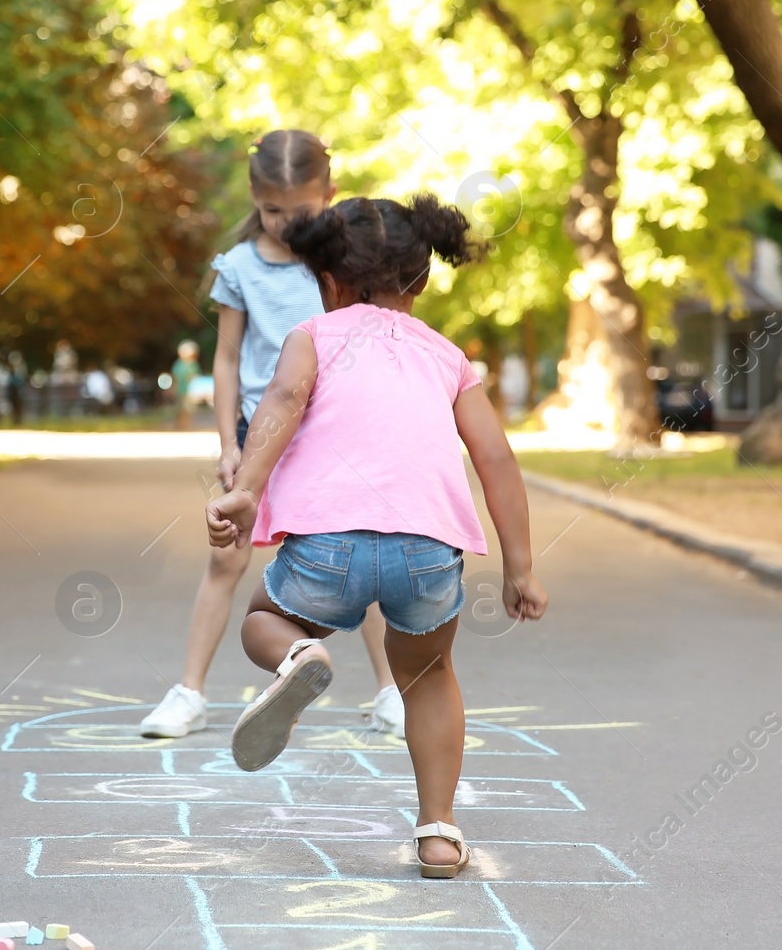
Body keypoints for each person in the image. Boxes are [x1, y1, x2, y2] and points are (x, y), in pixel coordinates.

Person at [205, 193, 549, 879]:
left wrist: (245, 486)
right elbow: (496, 458)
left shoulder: (313, 336)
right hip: (426, 550)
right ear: (421, 279)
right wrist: (520, 566)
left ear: (329, 281)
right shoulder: (448, 357)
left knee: (264, 621)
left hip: (329, 542)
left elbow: (281, 402)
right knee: (427, 675)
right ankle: (440, 834)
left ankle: (300, 653)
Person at [140, 129, 408, 740]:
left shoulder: (345, 263)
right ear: (255, 200)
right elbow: (228, 360)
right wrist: (229, 442)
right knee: (225, 562)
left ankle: (391, 691)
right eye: (272, 211)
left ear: (330, 196)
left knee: (357, 565)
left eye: (302, 211)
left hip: (331, 432)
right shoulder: (238, 267)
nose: (286, 224)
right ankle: (189, 693)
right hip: (258, 433)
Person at [171, 340, 201, 430]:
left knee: (188, 409)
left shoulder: (194, 365)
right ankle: (179, 424)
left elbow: (196, 377)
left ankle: (186, 425)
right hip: (180, 390)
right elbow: (175, 377)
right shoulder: (178, 364)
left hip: (190, 391)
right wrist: (173, 388)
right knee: (180, 408)